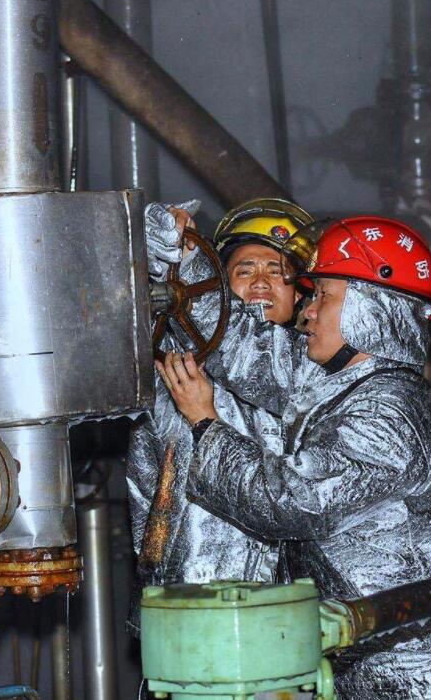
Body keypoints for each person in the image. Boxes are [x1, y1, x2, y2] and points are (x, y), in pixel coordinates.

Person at [155, 215, 431, 699]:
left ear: (369, 310)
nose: (306, 312)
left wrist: (206, 423)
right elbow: (245, 349)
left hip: (404, 666)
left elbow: (293, 502)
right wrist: (186, 258)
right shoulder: (340, 383)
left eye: (323, 296)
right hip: (357, 649)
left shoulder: (389, 411)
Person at [125, 198, 314, 633]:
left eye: (277, 272)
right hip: (185, 611)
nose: (261, 282)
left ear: (301, 293)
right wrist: (164, 248)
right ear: (217, 286)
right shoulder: (170, 363)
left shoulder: (316, 373)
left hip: (294, 614)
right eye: (245, 270)